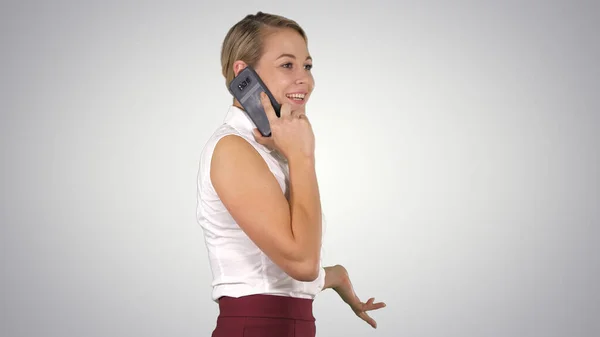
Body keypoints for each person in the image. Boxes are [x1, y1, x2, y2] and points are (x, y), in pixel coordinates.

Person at [196, 11, 386, 337]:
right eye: (288, 65)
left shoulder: (273, 152)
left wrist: (335, 277)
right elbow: (301, 264)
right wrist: (302, 155)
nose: (306, 80)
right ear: (244, 74)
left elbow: (281, 266)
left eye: (308, 66)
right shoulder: (233, 150)